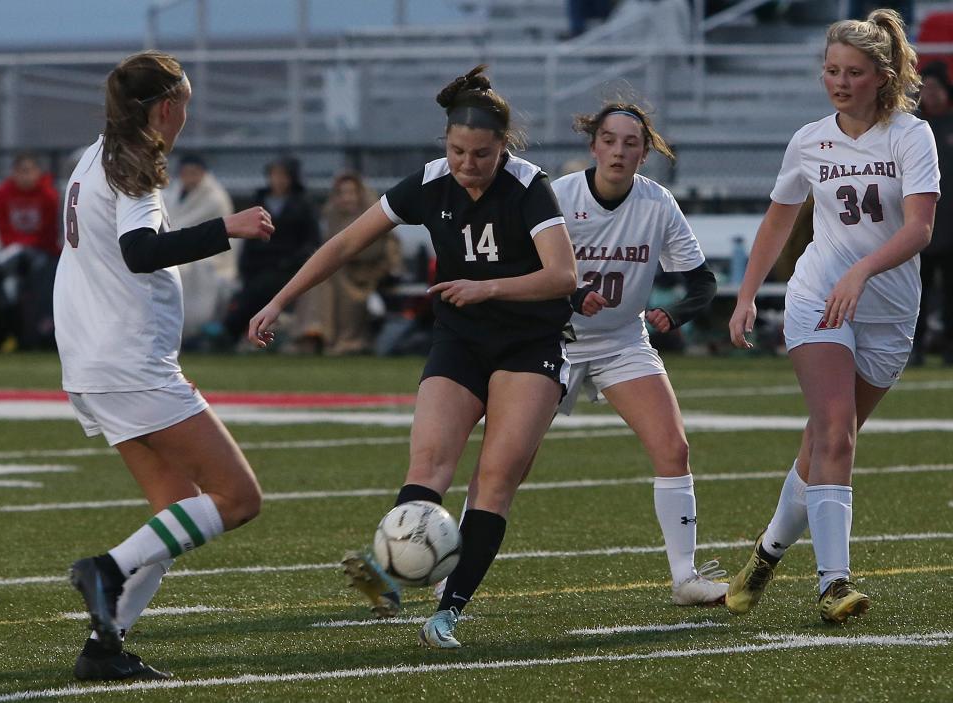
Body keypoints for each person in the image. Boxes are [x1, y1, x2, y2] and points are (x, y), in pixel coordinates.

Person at [249, 64, 577, 648]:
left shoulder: (529, 186)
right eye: (457, 151)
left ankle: (449, 610)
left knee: (494, 480)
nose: (467, 165)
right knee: (427, 466)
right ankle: (396, 575)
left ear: (503, 148)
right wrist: (280, 301)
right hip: (460, 339)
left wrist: (489, 286)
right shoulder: (430, 181)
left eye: (480, 154)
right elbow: (347, 242)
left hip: (529, 345)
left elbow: (563, 275)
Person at [54, 50, 273, 680]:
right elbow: (140, 251)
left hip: (100, 360)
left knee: (175, 506)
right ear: (168, 107)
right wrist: (225, 226)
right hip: (126, 363)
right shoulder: (136, 166)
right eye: (187, 105)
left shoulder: (94, 154)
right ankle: (108, 569)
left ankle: (104, 648)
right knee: (237, 498)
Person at [726, 9, 938, 623]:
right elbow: (778, 219)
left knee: (821, 443)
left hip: (889, 310)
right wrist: (746, 295)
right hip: (819, 293)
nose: (839, 82)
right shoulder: (810, 139)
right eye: (830, 71)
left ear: (883, 75)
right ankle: (833, 583)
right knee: (837, 431)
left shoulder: (910, 135)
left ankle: (764, 556)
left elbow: (920, 228)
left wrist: (864, 270)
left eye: (853, 72)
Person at [550, 99, 725, 606]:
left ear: (645, 154)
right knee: (508, 460)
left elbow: (702, 281)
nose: (618, 152)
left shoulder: (657, 203)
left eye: (631, 143)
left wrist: (678, 314)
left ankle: (685, 578)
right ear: (593, 146)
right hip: (552, 340)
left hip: (623, 340)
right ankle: (454, 572)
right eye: (609, 141)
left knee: (673, 448)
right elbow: (523, 271)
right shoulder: (558, 197)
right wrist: (571, 295)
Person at [290, 171, 399, 355]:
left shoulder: (375, 214)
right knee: (317, 278)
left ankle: (342, 337)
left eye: (350, 192)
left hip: (366, 276)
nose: (346, 198)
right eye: (341, 193)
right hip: (339, 273)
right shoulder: (331, 216)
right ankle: (313, 332)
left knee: (331, 279)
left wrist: (343, 252)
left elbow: (375, 253)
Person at [222, 155, 318, 347]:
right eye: (274, 175)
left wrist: (289, 262)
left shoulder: (304, 205)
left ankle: (231, 332)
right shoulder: (258, 202)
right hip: (258, 267)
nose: (278, 181)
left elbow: (311, 242)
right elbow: (248, 242)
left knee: (258, 292)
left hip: (288, 268)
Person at [162, 153, 237, 342]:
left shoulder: (215, 198)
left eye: (194, 173)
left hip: (210, 255)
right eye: (186, 173)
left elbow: (197, 229)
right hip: (177, 248)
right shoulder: (173, 192)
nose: (189, 177)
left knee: (183, 270)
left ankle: (189, 330)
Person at [0, 152, 60, 349]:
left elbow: (48, 233)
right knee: (8, 283)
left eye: (29, 171)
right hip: (13, 254)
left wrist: (23, 246)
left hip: (41, 252)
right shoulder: (1, 195)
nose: (25, 176)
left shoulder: (48, 195)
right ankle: (7, 328)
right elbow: (4, 229)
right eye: (21, 172)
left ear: (38, 172)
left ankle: (21, 330)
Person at [912, 62, 953, 365]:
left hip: (950, 223)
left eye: (936, 88)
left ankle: (949, 346)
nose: (932, 95)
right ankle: (914, 347)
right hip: (919, 224)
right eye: (926, 89)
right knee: (916, 292)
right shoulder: (913, 127)